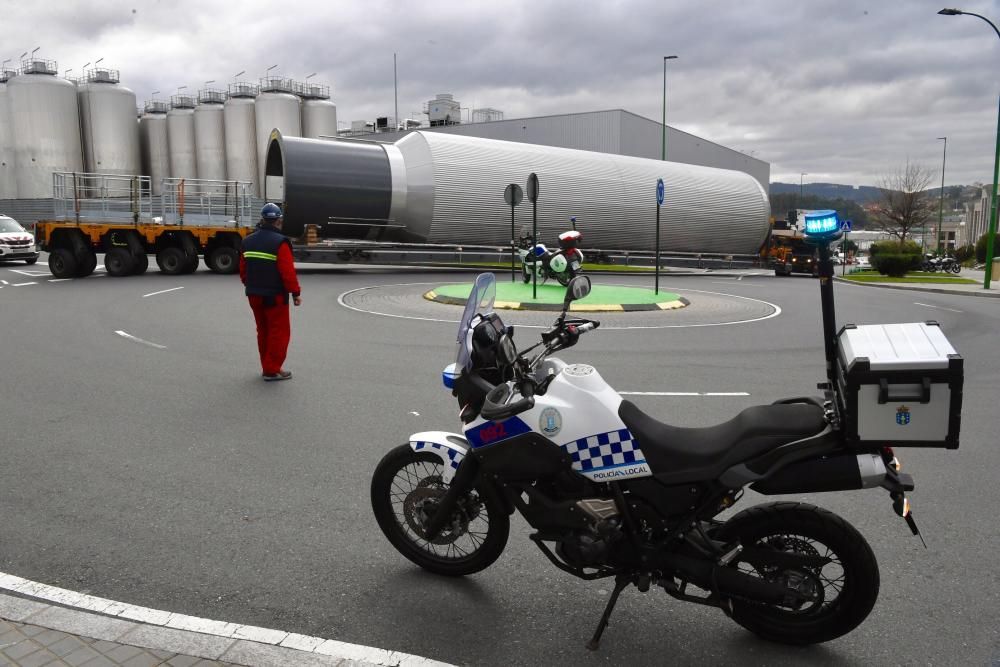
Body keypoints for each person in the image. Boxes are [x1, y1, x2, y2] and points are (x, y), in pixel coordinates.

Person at [239, 203, 302, 381]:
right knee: (278, 332)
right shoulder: (280, 242)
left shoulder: (247, 241)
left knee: (263, 331)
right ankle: (271, 369)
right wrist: (295, 293)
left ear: (263, 218)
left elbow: (243, 270)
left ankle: (267, 365)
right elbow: (287, 272)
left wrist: (251, 285)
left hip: (254, 295)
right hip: (275, 297)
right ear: (278, 220)